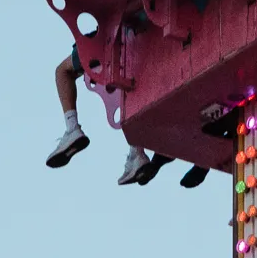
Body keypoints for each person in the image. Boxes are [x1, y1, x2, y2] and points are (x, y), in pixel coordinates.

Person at [43, 50, 181, 185]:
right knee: (133, 87)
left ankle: (72, 128)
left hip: (107, 46)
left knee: (62, 72)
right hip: (136, 50)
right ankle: (136, 153)